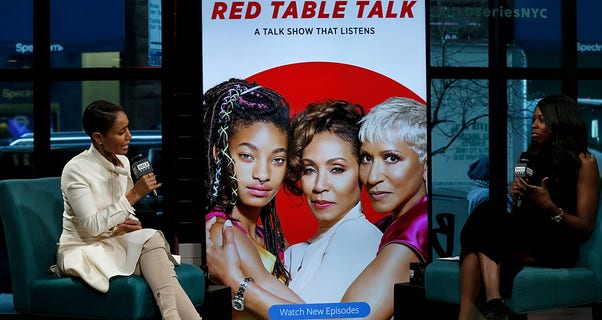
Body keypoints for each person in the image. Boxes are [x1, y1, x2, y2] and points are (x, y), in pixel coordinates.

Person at [206, 99, 382, 315]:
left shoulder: (357, 235)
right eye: (309, 170)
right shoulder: (292, 251)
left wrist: (237, 284)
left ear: (362, 171)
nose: (319, 186)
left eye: (337, 169)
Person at [53, 100, 200, 320]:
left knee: (150, 240)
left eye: (128, 128)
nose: (129, 136)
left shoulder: (122, 161)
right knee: (155, 251)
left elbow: (125, 212)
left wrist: (132, 223)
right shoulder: (76, 170)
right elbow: (93, 226)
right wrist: (134, 195)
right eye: (121, 132)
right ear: (98, 138)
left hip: (116, 242)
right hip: (85, 248)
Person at [457, 94, 600, 320]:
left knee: (480, 238)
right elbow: (517, 214)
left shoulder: (585, 162)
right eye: (534, 119)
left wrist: (550, 207)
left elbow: (585, 226)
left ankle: (478, 312)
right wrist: (515, 199)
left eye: (541, 120)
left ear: (559, 122)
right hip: (523, 235)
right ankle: (493, 304)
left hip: (557, 241)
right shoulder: (527, 158)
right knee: (487, 211)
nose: (534, 125)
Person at [202, 78, 298, 319]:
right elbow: (303, 315)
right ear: (219, 153)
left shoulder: (268, 236)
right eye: (247, 156)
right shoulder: (224, 235)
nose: (263, 174)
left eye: (277, 159)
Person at [340, 96, 429, 320]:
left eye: (391, 158)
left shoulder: (417, 226)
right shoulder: (389, 224)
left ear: (427, 166)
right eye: (367, 158)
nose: (372, 177)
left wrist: (249, 290)